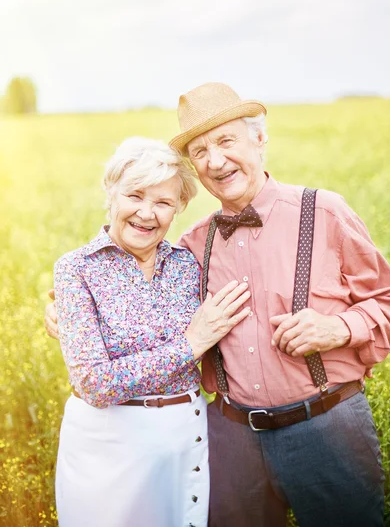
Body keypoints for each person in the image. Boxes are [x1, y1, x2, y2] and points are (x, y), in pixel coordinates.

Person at [45, 83, 390, 527]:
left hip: (327, 428)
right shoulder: (193, 246)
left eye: (227, 141)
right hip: (230, 441)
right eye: (200, 150)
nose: (215, 160)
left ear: (260, 139)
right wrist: (64, 309)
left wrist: (341, 328)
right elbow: (133, 287)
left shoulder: (325, 212)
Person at [51, 136, 251, 527]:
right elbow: (94, 383)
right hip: (106, 450)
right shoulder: (76, 269)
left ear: (180, 207)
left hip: (186, 442)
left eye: (163, 202)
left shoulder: (187, 264)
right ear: (111, 194)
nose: (147, 213)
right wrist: (190, 345)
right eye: (135, 196)